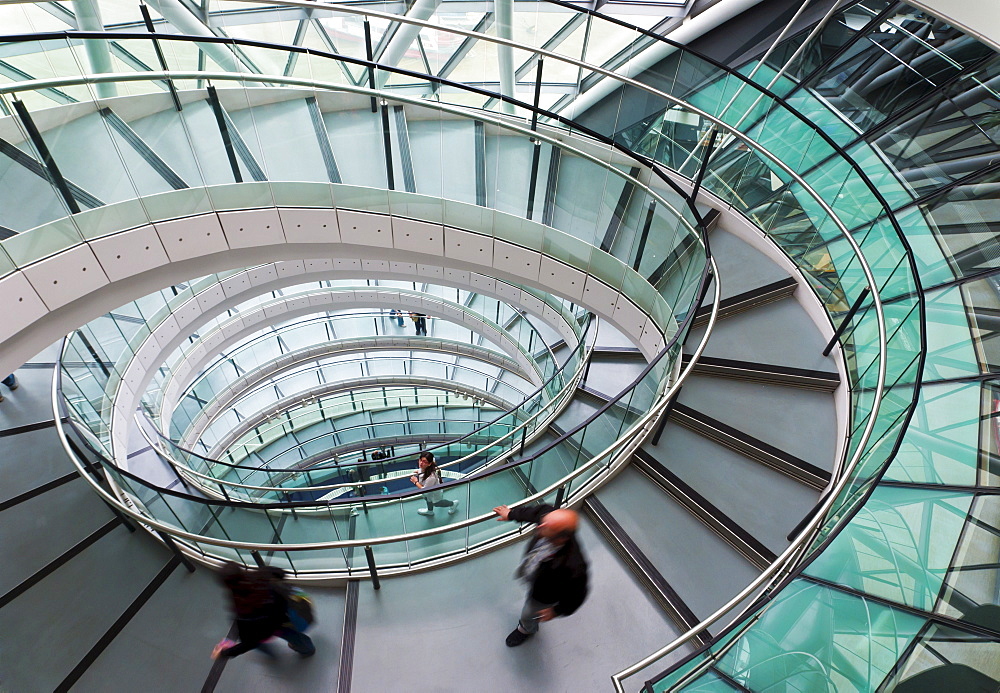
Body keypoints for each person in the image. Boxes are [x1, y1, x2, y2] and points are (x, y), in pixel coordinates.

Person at [492, 504, 588, 647]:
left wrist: (557, 610)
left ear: (560, 538)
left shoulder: (573, 565)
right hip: (538, 574)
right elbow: (535, 512)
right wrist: (511, 514)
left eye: (545, 527)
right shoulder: (549, 519)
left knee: (528, 613)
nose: (538, 526)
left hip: (545, 594)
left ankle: (525, 629)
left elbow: (578, 594)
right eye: (543, 522)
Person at [212, 562, 315, 659]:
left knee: (288, 635)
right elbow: (280, 572)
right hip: (288, 612)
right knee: (296, 637)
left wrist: (223, 653)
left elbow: (250, 642)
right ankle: (307, 649)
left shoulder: (243, 606)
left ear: (227, 585)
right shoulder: (263, 573)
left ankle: (306, 650)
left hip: (276, 625)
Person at [409, 450, 459, 516]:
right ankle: (430, 511)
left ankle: (453, 504)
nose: (421, 463)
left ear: (429, 464)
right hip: (429, 492)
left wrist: (415, 482)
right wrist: (417, 472)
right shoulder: (422, 468)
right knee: (427, 499)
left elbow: (425, 490)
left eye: (424, 462)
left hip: (434, 493)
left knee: (437, 503)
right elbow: (420, 471)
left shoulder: (431, 477)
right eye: (420, 460)